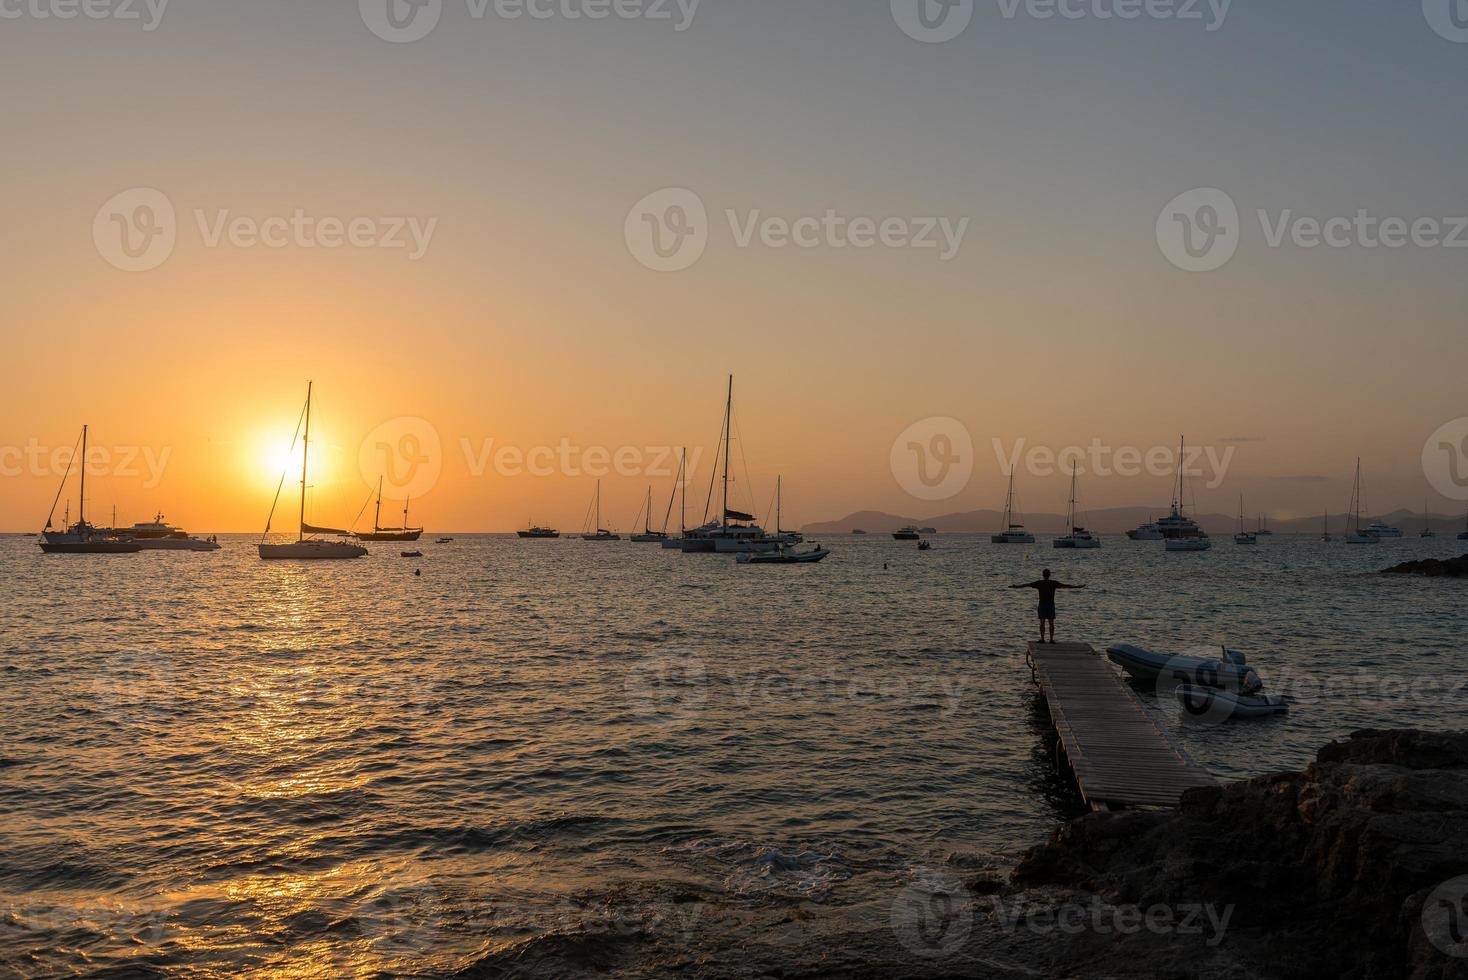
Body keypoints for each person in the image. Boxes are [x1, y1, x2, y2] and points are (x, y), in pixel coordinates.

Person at [1010, 569, 1084, 644]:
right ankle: (1051, 639)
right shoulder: (1053, 583)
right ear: (1049, 575)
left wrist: (1016, 586)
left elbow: (1027, 585)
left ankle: (1042, 639)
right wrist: (1077, 587)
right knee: (1051, 623)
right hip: (1050, 604)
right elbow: (1066, 586)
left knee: (1042, 622)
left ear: (1043, 575)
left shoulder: (1039, 583)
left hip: (1042, 604)